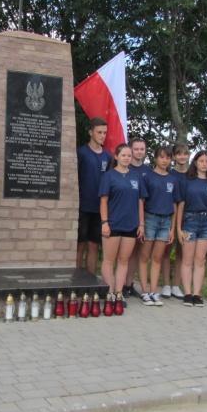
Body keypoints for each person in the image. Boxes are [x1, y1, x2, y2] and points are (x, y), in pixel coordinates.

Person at [99, 143, 145, 308]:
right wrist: (104, 222)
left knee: (124, 260)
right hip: (112, 224)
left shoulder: (136, 177)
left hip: (131, 225)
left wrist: (141, 223)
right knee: (109, 260)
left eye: (129, 155)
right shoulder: (109, 176)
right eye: (123, 155)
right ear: (116, 157)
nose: (127, 158)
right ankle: (109, 292)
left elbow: (140, 201)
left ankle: (119, 293)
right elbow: (103, 201)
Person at [178, 150, 207, 307]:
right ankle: (188, 293)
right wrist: (178, 228)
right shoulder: (187, 181)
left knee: (200, 260)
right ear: (195, 162)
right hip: (190, 221)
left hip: (206, 224)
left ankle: (197, 294)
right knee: (187, 260)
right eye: (201, 160)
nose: (204, 164)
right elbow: (181, 206)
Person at [138, 146, 180, 306]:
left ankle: (154, 291)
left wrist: (172, 228)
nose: (165, 160)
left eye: (168, 158)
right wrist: (141, 223)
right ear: (155, 158)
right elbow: (141, 201)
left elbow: (175, 205)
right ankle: (144, 291)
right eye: (162, 157)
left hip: (165, 221)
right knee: (144, 257)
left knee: (157, 258)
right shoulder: (147, 176)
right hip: (150, 219)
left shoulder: (173, 179)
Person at [76, 117, 111, 275]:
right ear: (91, 132)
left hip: (100, 208)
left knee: (93, 245)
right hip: (82, 206)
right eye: (99, 132)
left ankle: (89, 279)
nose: (102, 135)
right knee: (80, 243)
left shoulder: (108, 157)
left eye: (105, 132)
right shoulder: (81, 153)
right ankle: (75, 278)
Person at [161, 143, 190, 299]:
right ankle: (165, 284)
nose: (182, 157)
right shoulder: (170, 175)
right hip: (170, 217)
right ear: (174, 156)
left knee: (182, 253)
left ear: (188, 155)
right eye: (179, 154)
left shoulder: (192, 175)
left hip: (188, 219)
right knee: (166, 251)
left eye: (185, 153)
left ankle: (176, 286)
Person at [123, 137, 149, 297]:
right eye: (136, 149)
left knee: (136, 253)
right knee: (125, 253)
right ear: (130, 150)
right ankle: (119, 284)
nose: (139, 152)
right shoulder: (125, 167)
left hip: (144, 216)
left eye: (142, 149)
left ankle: (129, 284)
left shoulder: (148, 170)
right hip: (127, 216)